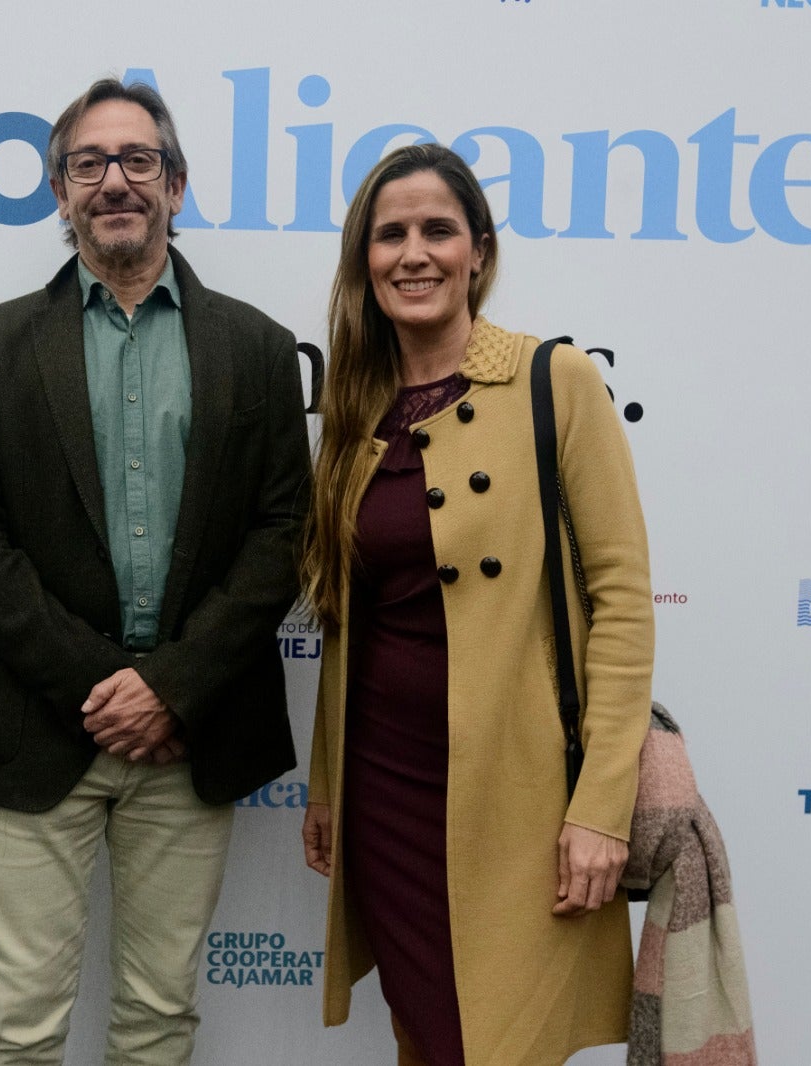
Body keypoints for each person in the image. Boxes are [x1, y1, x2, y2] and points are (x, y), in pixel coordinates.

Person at [0, 77, 311, 1065]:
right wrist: (106, 685)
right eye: (88, 163)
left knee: (157, 1019)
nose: (114, 181)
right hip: (34, 724)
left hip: (191, 736)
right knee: (17, 1029)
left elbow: (283, 535)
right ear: (61, 191)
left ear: (175, 184)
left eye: (138, 159)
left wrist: (170, 685)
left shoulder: (260, 348)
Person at [299, 143, 654, 1065]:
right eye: (390, 235)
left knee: (491, 1044)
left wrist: (601, 807)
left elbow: (621, 601)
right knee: (426, 1036)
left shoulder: (553, 379)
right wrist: (327, 784)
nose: (414, 253)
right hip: (384, 788)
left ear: (480, 252)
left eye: (438, 230)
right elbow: (347, 621)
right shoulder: (355, 405)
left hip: (520, 799)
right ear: (365, 260)